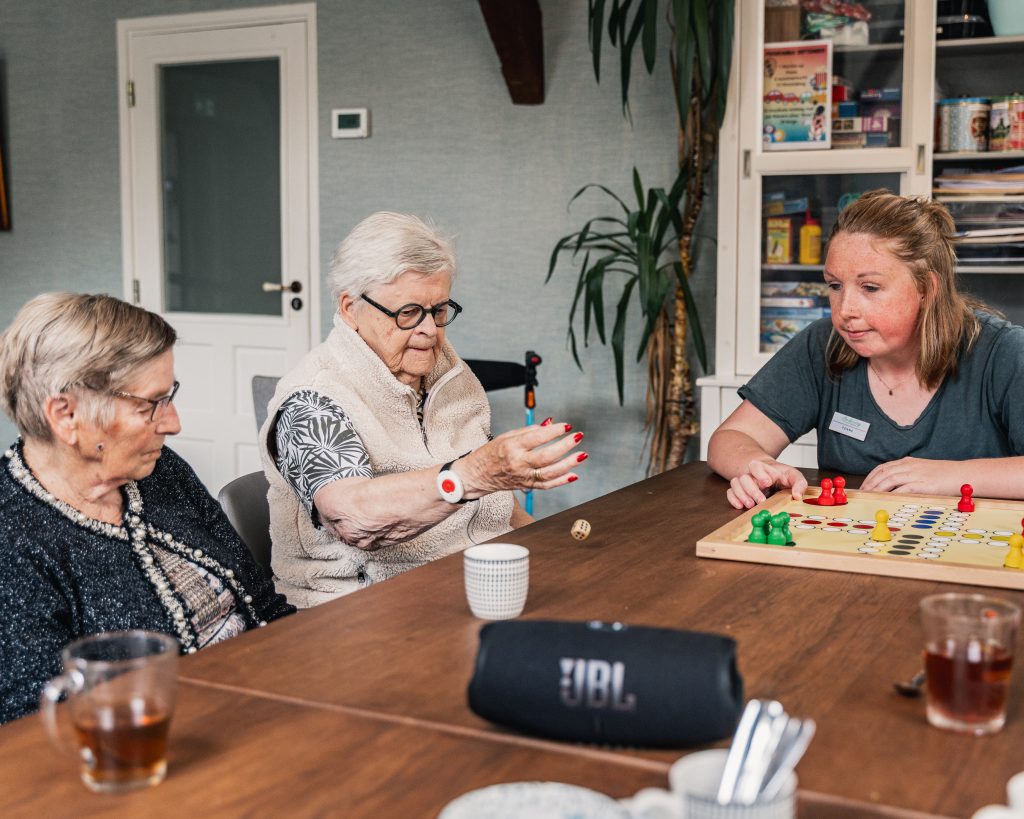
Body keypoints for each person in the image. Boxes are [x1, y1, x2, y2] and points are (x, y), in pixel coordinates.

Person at [260, 212, 586, 608]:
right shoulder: (312, 399)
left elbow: (494, 507)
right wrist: (472, 474)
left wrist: (555, 548)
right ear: (350, 309)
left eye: (438, 310)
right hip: (359, 612)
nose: (430, 330)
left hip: (466, 589)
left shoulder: (450, 374)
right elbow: (350, 516)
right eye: (408, 313)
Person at [0, 293, 294, 724]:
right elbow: (36, 727)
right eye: (150, 403)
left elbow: (264, 607)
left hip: (272, 699)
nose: (173, 423)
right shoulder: (13, 537)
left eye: (169, 395)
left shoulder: (159, 472)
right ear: (66, 416)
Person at [708, 189, 1024, 510]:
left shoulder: (1004, 352)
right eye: (835, 286)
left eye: (869, 288)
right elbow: (731, 438)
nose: (845, 309)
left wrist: (951, 476)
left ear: (927, 289)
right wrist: (758, 465)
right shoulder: (823, 342)